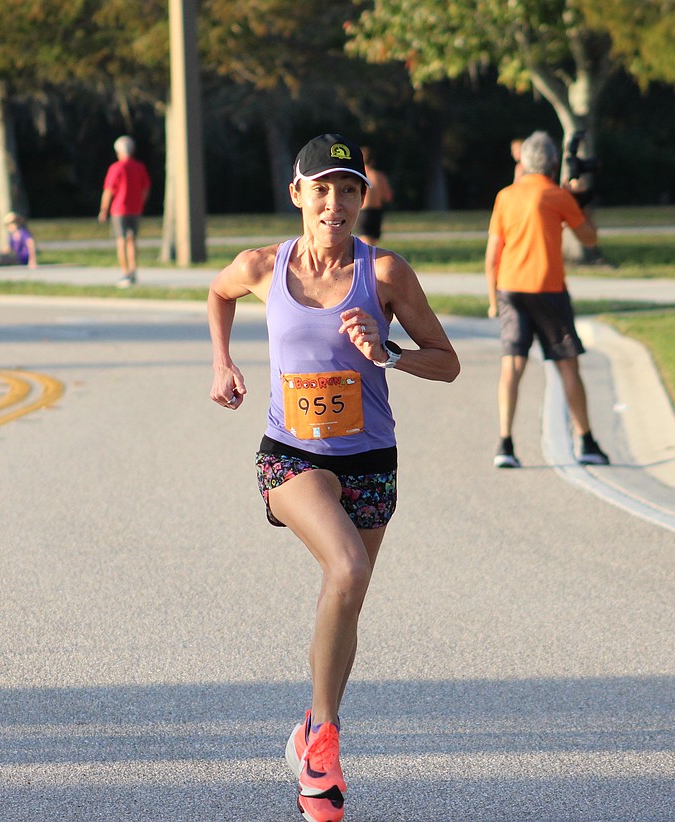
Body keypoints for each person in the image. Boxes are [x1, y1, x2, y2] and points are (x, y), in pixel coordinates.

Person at [208, 133, 459, 822]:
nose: (334, 203)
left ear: (362, 198)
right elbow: (219, 293)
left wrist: (389, 352)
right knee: (348, 567)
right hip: (291, 455)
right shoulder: (263, 266)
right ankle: (324, 745)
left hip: (371, 460)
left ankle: (313, 731)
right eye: (321, 189)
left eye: (348, 190)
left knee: (345, 596)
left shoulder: (386, 275)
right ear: (297, 193)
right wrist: (222, 362)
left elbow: (446, 361)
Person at [485, 130, 610, 469]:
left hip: (510, 289)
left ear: (524, 162)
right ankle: (586, 441)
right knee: (567, 365)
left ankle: (505, 443)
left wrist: (493, 299)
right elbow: (590, 237)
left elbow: (493, 255)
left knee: (512, 365)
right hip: (549, 291)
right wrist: (578, 201)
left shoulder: (505, 196)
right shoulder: (558, 196)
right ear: (554, 164)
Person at [98, 135, 151, 288]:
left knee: (121, 241)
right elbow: (146, 187)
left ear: (120, 152)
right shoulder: (139, 167)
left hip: (119, 209)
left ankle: (125, 272)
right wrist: (141, 202)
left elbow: (108, 190)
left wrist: (103, 210)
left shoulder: (116, 168)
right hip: (135, 208)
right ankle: (133, 271)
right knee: (132, 240)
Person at [354, 145, 393, 246]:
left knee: (364, 244)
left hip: (363, 212)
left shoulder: (357, 177)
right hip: (376, 213)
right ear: (373, 161)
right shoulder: (379, 176)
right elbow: (388, 196)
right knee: (372, 245)